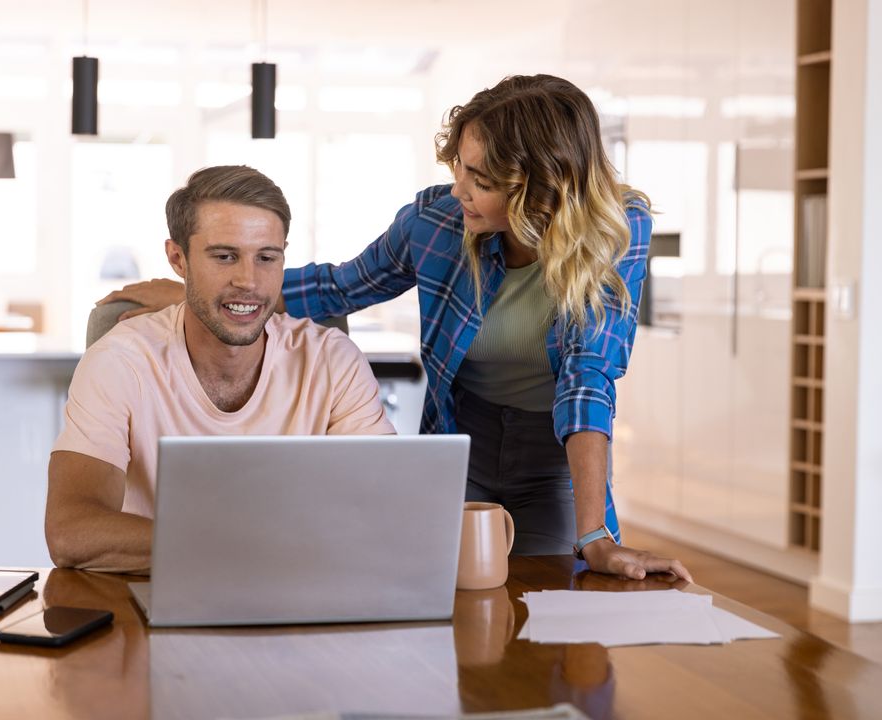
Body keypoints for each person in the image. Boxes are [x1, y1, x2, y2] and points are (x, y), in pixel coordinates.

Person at [97, 75, 691, 582]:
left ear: (540, 188)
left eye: (481, 179)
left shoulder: (616, 230)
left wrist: (597, 535)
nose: (458, 187)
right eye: (460, 163)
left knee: (559, 611)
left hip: (555, 450)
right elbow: (340, 287)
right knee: (453, 599)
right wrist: (200, 292)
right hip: (463, 437)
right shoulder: (434, 222)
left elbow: (588, 379)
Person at [47, 165, 395, 574]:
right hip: (150, 603)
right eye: (225, 256)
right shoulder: (119, 361)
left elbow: (382, 519)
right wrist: (257, 545)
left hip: (298, 604)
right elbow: (71, 532)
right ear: (178, 258)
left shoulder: (335, 362)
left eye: (266, 258)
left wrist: (221, 545)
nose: (248, 281)